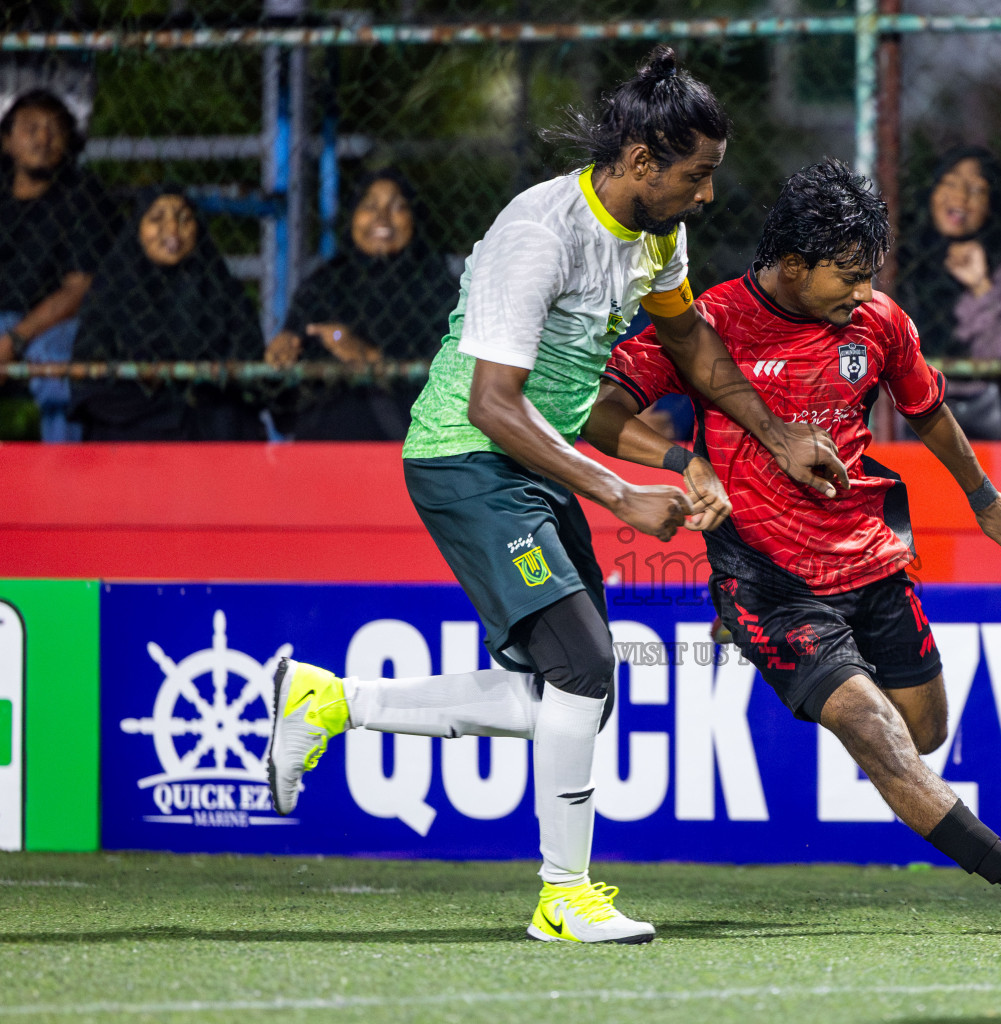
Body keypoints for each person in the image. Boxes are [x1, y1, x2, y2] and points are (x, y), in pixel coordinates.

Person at [264, 47, 847, 945]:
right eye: (697, 177)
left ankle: (331, 703)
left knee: (566, 690)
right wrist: (621, 492)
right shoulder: (536, 234)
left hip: (532, 466)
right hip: (468, 459)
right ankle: (562, 895)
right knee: (583, 665)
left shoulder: (657, 234)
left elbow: (690, 347)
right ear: (643, 163)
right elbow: (492, 405)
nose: (708, 197)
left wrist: (768, 441)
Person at [585, 160, 1001, 937]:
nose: (862, 292)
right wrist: (683, 462)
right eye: (847, 276)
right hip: (769, 578)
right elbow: (599, 410)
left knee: (923, 733)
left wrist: (982, 497)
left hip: (871, 558)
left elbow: (928, 411)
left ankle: (795, 661)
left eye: (869, 274)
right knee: (876, 735)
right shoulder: (705, 323)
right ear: (793, 265)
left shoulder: (878, 322)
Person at [263, 168, 458, 440]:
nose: (381, 218)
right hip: (321, 453)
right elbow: (283, 409)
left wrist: (371, 357)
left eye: (397, 206)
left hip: (408, 449)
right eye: (369, 206)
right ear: (352, 216)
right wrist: (282, 353)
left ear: (415, 218)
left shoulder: (438, 288)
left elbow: (453, 388)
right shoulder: (323, 284)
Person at [68, 187, 265, 441]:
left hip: (207, 424)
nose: (172, 230)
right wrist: (144, 383)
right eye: (157, 218)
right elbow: (88, 385)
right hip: (134, 423)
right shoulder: (111, 292)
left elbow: (250, 370)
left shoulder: (223, 290)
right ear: (137, 229)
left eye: (184, 218)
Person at [899, 147, 1001, 440]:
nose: (961, 196)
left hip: (997, 431)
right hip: (912, 429)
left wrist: (982, 288)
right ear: (932, 191)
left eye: (976, 189)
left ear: (993, 204)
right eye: (950, 182)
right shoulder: (902, 264)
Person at [0, 89, 117, 441]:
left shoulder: (81, 195)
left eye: (54, 129)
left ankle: (66, 478)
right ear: (6, 141)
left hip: (53, 321)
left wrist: (15, 339)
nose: (43, 138)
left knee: (61, 364)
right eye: (31, 128)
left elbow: (78, 288)